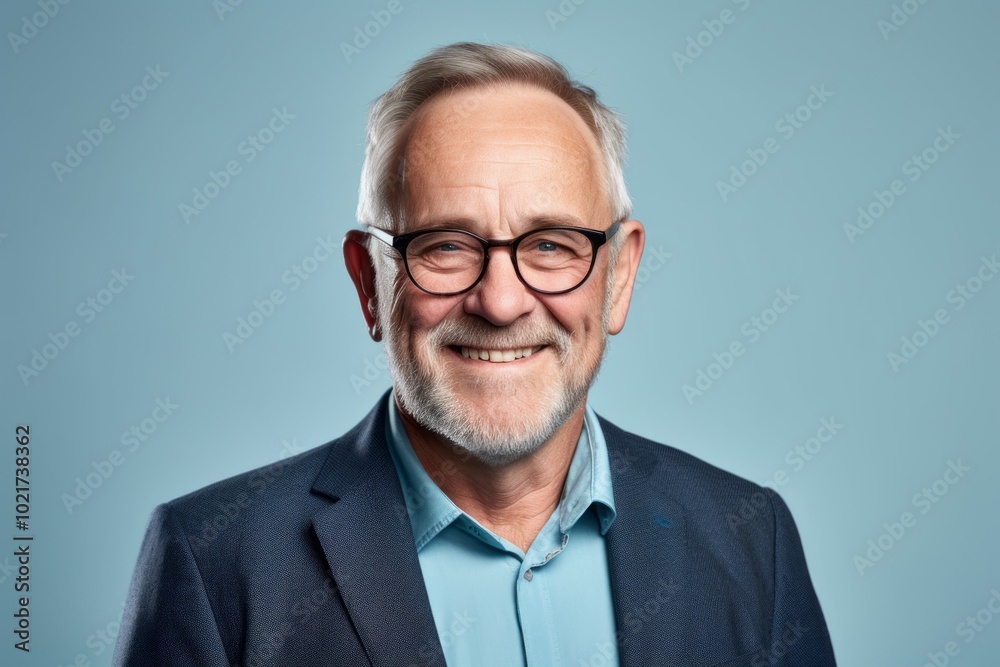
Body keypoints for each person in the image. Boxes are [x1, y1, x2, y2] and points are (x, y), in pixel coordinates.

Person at [114, 42, 836, 667]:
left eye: (551, 244)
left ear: (619, 277)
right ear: (370, 283)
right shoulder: (215, 564)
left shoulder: (751, 538)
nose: (500, 302)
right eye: (446, 246)